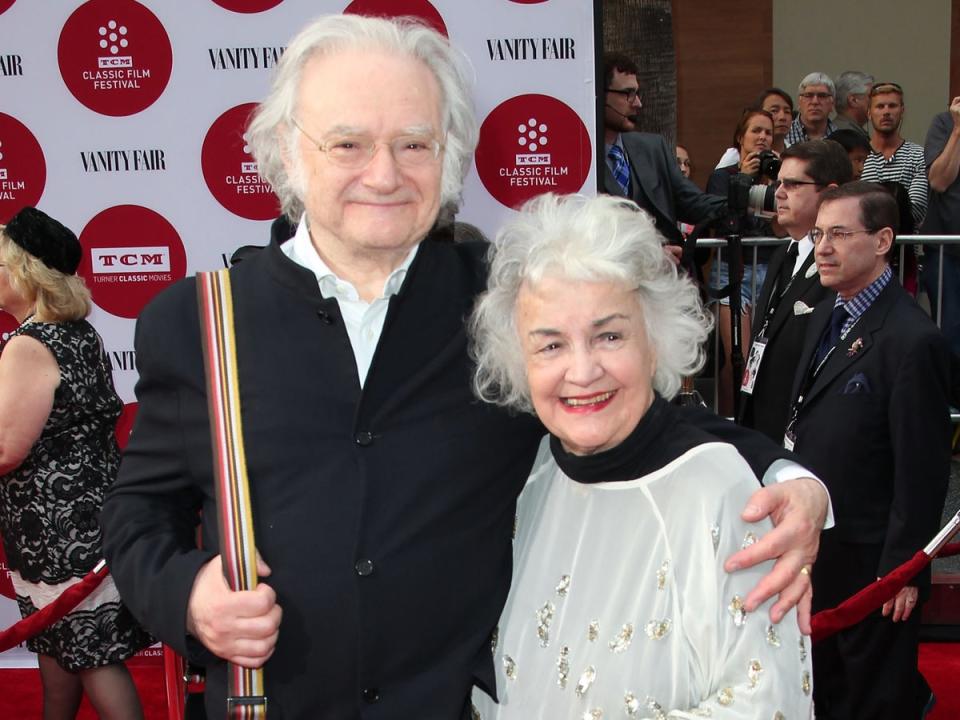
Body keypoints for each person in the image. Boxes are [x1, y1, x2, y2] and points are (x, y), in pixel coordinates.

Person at [101, 15, 829, 719]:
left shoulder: (505, 294)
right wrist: (189, 594)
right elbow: (139, 515)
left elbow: (645, 411)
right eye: (348, 143)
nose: (384, 175)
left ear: (448, 154)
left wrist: (791, 479)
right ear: (289, 152)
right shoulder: (199, 324)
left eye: (414, 144)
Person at [469, 193, 812, 718]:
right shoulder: (532, 471)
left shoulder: (721, 490)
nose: (582, 372)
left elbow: (768, 703)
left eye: (609, 335)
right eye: (551, 345)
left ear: (656, 339)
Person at [785, 182, 951, 719]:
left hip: (872, 562)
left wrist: (903, 571)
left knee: (871, 699)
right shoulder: (824, 315)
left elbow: (921, 470)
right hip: (820, 548)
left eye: (838, 234)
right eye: (817, 235)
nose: (823, 248)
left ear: (883, 240)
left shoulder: (911, 339)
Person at [0, 207, 152, 719]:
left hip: (57, 531)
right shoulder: (77, 334)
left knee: (91, 657)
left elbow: (6, 450)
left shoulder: (28, 345)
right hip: (89, 520)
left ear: (24, 273)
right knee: (58, 647)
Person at [738, 140, 853, 442]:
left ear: (828, 193)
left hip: (803, 434)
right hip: (761, 421)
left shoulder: (837, 267)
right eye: (778, 183)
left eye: (792, 184)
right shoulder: (785, 254)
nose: (778, 193)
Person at [601, 52, 724, 245]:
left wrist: (747, 200)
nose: (637, 103)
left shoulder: (653, 148)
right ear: (599, 95)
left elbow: (691, 203)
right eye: (628, 94)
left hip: (662, 272)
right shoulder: (577, 159)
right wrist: (654, 253)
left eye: (637, 93)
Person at [707, 108, 782, 416]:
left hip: (770, 267)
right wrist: (745, 180)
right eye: (756, 131)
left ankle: (757, 420)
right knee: (737, 354)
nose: (763, 136)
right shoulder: (722, 177)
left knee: (766, 355)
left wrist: (778, 179)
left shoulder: (779, 177)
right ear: (740, 138)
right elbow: (720, 221)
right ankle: (730, 421)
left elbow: (781, 227)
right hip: (732, 269)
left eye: (768, 132)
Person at [920, 95, 960, 356]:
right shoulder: (944, 124)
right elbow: (939, 181)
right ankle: (948, 396)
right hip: (948, 252)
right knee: (950, 333)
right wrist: (958, 130)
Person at [860, 82, 928, 229]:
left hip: (906, 248)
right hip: (863, 246)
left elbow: (916, 211)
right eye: (880, 106)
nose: (886, 112)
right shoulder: (859, 156)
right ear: (869, 113)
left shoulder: (918, 155)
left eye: (892, 106)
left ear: (902, 111)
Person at [716, 87, 794, 168]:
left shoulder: (795, 155)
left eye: (787, 112)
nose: (782, 117)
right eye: (774, 111)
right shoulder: (734, 156)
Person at [785, 72, 838, 147]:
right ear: (799, 102)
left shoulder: (841, 138)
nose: (815, 102)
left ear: (832, 103)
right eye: (808, 95)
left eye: (822, 96)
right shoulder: (784, 134)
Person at [832, 70, 874, 138]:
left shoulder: (836, 129)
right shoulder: (847, 136)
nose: (875, 101)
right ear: (853, 101)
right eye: (870, 96)